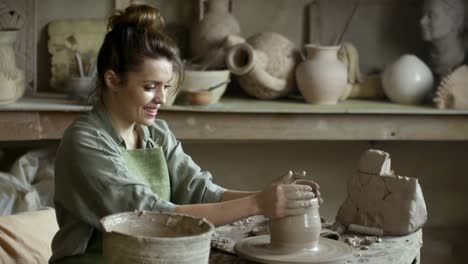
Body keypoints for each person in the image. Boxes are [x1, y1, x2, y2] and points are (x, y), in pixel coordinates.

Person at [49, 4, 320, 263]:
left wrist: (275, 196)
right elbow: (150, 216)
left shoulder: (155, 132)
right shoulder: (84, 142)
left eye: (165, 86)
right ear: (112, 80)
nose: (162, 99)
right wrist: (258, 204)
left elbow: (201, 191)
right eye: (150, 86)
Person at [420, 0, 466, 77]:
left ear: (455, 21)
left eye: (431, 16)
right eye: (423, 13)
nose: (422, 21)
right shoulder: (425, 55)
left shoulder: (459, 61)